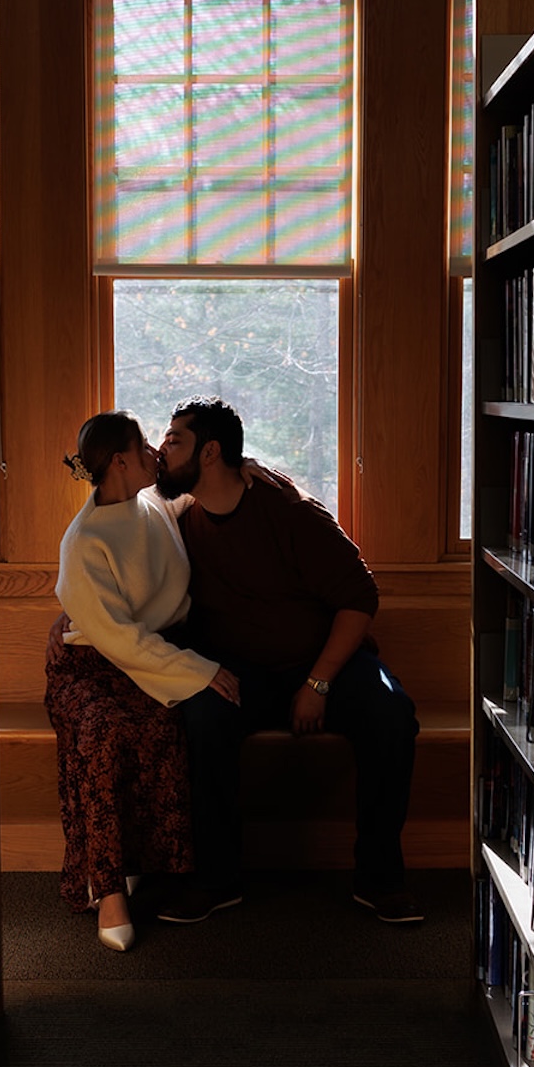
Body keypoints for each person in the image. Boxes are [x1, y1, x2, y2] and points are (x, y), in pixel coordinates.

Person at [151, 396, 423, 926]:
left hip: (325, 665)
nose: (163, 450)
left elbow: (359, 597)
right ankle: (216, 880)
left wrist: (318, 684)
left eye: (174, 440)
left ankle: (380, 879)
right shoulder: (178, 518)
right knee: (200, 720)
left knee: (394, 718)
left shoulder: (290, 511)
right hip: (242, 672)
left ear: (210, 453)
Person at [46, 411, 240, 952]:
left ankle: (137, 863)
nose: (157, 451)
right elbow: (118, 640)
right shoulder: (83, 541)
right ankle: (107, 889)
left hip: (143, 660)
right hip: (89, 667)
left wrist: (250, 468)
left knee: (162, 728)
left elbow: (186, 500)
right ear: (119, 462)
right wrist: (203, 672)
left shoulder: (151, 503)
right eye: (146, 445)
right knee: (102, 736)